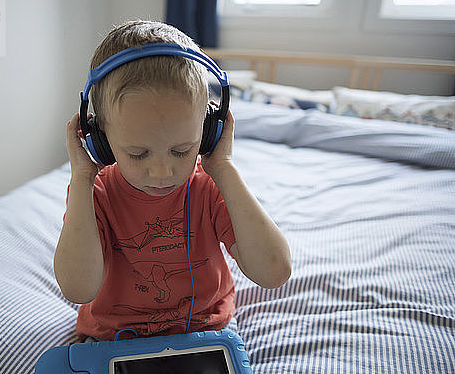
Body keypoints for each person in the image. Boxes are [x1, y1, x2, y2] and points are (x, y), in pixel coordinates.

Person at [54, 20, 291, 342]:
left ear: (209, 133)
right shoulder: (95, 193)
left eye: (183, 150)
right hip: (112, 334)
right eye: (138, 154)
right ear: (100, 140)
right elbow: (78, 289)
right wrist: (82, 176)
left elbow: (274, 273)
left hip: (207, 328)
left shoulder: (212, 185)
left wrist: (224, 167)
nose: (163, 172)